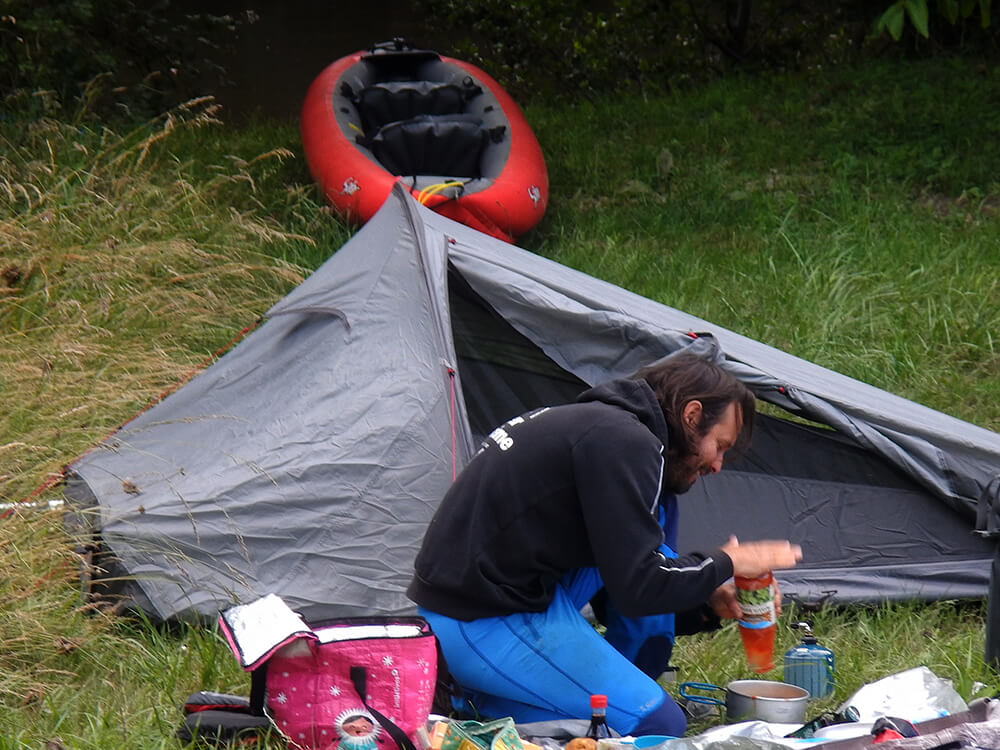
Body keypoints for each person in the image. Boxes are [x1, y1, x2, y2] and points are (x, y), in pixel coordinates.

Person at [407, 351, 802, 737]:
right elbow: (638, 587)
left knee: (648, 535)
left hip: (479, 607)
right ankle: (471, 713)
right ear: (692, 415)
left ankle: (479, 697)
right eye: (721, 445)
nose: (717, 464)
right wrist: (728, 561)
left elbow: (623, 569)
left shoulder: (602, 430)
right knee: (656, 724)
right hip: (483, 621)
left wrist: (707, 598)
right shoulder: (627, 443)